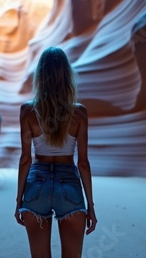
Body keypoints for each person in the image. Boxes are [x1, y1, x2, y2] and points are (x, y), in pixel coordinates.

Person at [15, 46, 97, 258]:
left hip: (36, 187)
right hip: (68, 184)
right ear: (67, 75)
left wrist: (19, 202)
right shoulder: (79, 112)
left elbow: (25, 159)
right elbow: (83, 163)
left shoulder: (27, 110)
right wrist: (90, 205)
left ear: (40, 76)